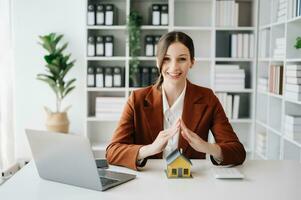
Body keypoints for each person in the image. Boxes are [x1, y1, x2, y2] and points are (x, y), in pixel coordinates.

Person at [106, 31, 246, 170]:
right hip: (148, 182)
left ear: (192, 62)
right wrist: (150, 149)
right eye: (166, 59)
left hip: (192, 182)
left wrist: (206, 147)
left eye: (182, 59)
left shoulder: (207, 98)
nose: (174, 67)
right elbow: (112, 152)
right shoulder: (137, 99)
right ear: (157, 62)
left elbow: (238, 152)